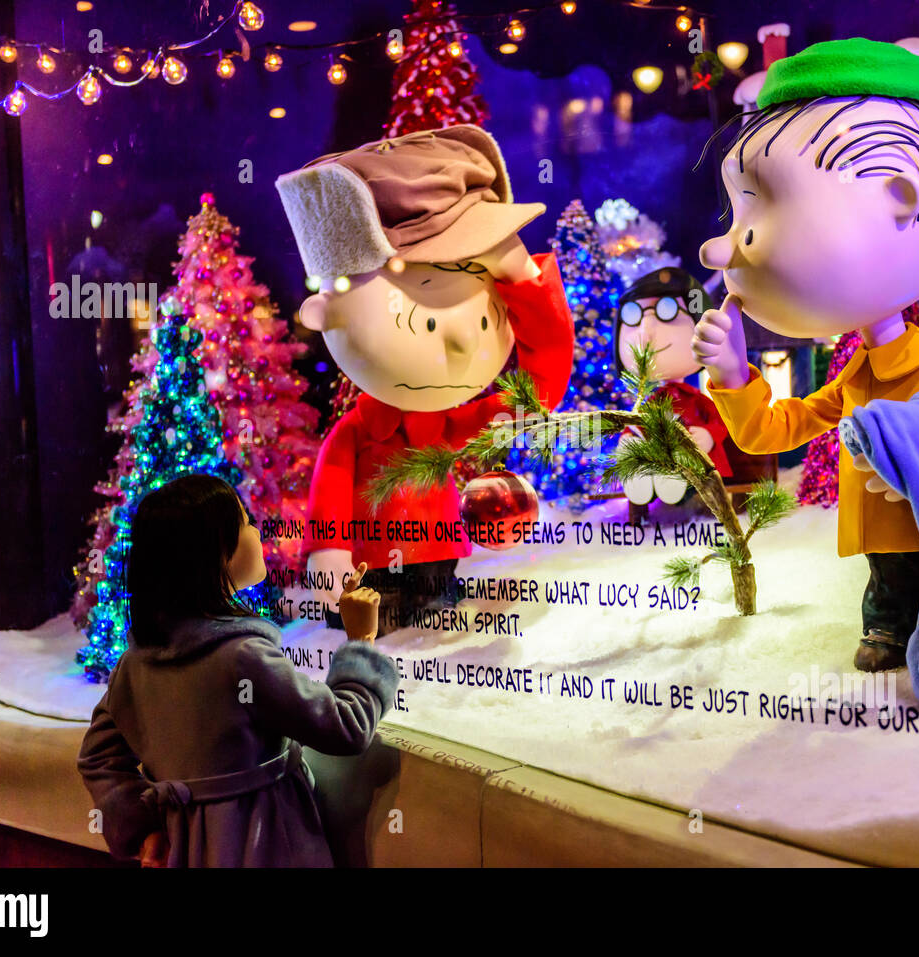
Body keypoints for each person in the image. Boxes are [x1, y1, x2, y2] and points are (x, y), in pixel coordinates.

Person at [691, 38, 919, 672]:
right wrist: (737, 376)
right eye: (735, 214)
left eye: (755, 215)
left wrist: (914, 468)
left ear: (900, 198)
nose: (720, 251)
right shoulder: (857, 371)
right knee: (887, 594)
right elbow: (775, 430)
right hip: (886, 544)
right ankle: (889, 629)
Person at [275, 125, 574, 636]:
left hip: (440, 570)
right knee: (383, 653)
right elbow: (329, 491)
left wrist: (524, 278)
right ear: (324, 313)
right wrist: (327, 549)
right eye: (427, 319)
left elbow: (537, 393)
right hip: (369, 577)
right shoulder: (356, 434)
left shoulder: (453, 425)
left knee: (431, 643)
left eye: (485, 318)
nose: (462, 347)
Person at [76, 473, 397, 867]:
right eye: (245, 521)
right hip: (265, 846)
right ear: (217, 552)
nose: (256, 529)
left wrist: (145, 830)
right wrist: (360, 639)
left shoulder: (134, 663)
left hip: (182, 848)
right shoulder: (243, 658)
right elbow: (346, 727)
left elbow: (97, 757)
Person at [613, 267, 732, 506]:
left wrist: (709, 434)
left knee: (683, 454)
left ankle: (676, 478)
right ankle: (642, 478)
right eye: (633, 315)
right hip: (660, 458)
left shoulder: (696, 399)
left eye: (666, 312)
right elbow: (639, 424)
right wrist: (629, 437)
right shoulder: (652, 401)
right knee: (639, 443)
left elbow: (721, 421)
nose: (645, 332)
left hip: (698, 464)